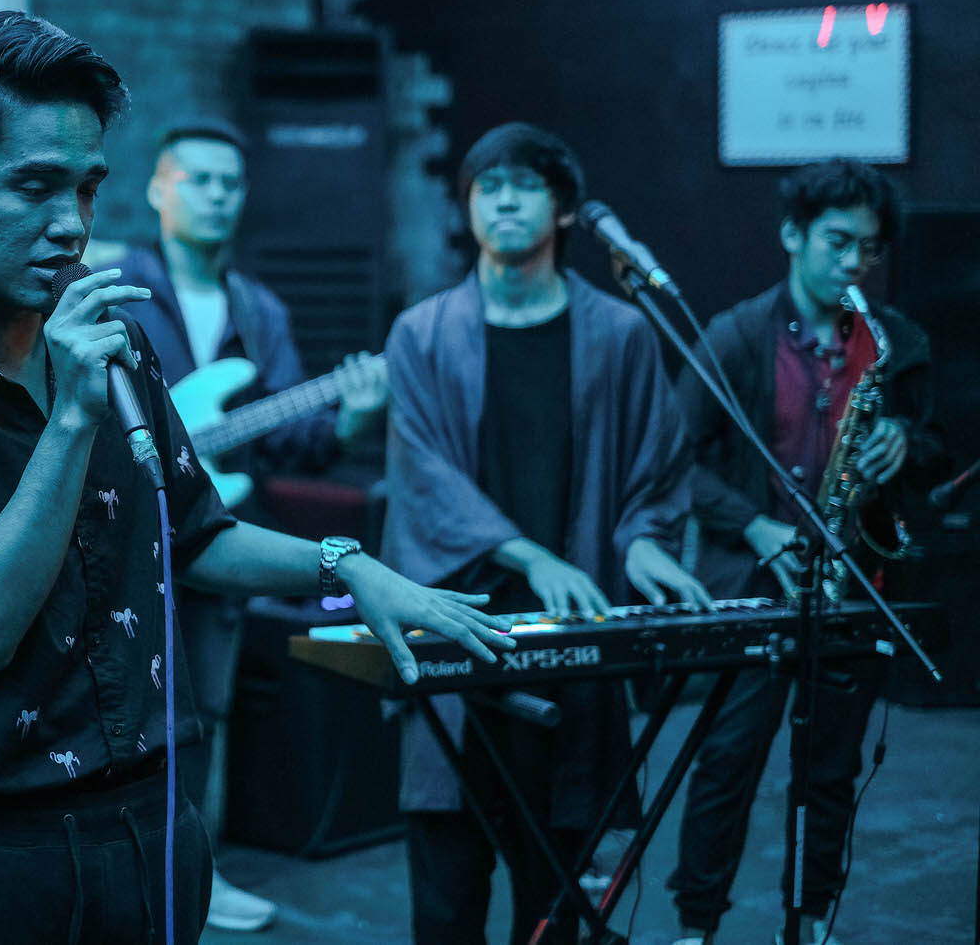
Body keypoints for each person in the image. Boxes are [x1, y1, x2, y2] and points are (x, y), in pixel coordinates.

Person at [0, 6, 514, 944]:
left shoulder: (118, 346)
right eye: (34, 187)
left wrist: (345, 564)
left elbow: (196, 529)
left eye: (88, 188)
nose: (71, 225)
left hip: (152, 822)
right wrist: (71, 416)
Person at [381, 122, 710, 944]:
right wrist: (530, 555)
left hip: (572, 650)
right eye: (486, 186)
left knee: (555, 902)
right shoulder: (421, 333)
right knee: (446, 901)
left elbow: (656, 470)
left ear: (563, 209)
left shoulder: (621, 334)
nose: (503, 201)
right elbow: (422, 482)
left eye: (524, 185)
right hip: (458, 644)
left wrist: (643, 542)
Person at [106, 117, 388, 931]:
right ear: (158, 188)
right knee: (122, 710)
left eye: (231, 183)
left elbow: (296, 438)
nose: (218, 195)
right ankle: (124, 868)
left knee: (206, 714)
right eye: (199, 179)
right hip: (122, 541)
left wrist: (352, 418)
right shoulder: (114, 285)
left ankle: (201, 869)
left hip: (215, 538)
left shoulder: (259, 310)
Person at [666, 160, 937, 945]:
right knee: (727, 763)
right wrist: (753, 524)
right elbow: (673, 458)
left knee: (831, 772)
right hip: (756, 583)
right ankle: (695, 927)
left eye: (869, 248)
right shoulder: (734, 335)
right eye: (837, 241)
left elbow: (939, 450)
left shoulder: (896, 342)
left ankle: (812, 918)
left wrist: (904, 439)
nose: (855, 262)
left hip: (852, 585)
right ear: (793, 234)